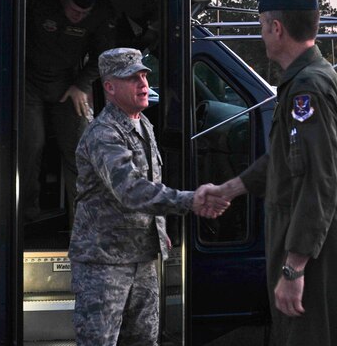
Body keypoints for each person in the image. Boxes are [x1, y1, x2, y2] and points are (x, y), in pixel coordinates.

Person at [208, 0, 337, 345]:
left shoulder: (308, 88)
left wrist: (294, 267)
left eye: (262, 25)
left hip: (319, 249)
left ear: (276, 28)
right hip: (316, 241)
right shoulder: (305, 80)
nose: (262, 34)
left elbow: (318, 180)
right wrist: (229, 190)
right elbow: (284, 160)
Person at [68, 47, 229, 346]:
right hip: (105, 264)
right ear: (110, 87)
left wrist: (158, 227)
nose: (143, 84)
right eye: (133, 78)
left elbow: (149, 181)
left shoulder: (143, 124)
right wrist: (189, 200)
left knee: (144, 340)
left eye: (144, 75)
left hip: (141, 257)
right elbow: (130, 189)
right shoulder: (104, 134)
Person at [23, 0, 117, 222]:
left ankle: (83, 220)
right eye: (75, 11)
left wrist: (82, 84)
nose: (80, 16)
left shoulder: (101, 11)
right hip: (28, 81)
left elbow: (104, 55)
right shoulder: (37, 1)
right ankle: (27, 213)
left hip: (69, 83)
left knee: (80, 147)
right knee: (32, 143)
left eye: (85, 12)